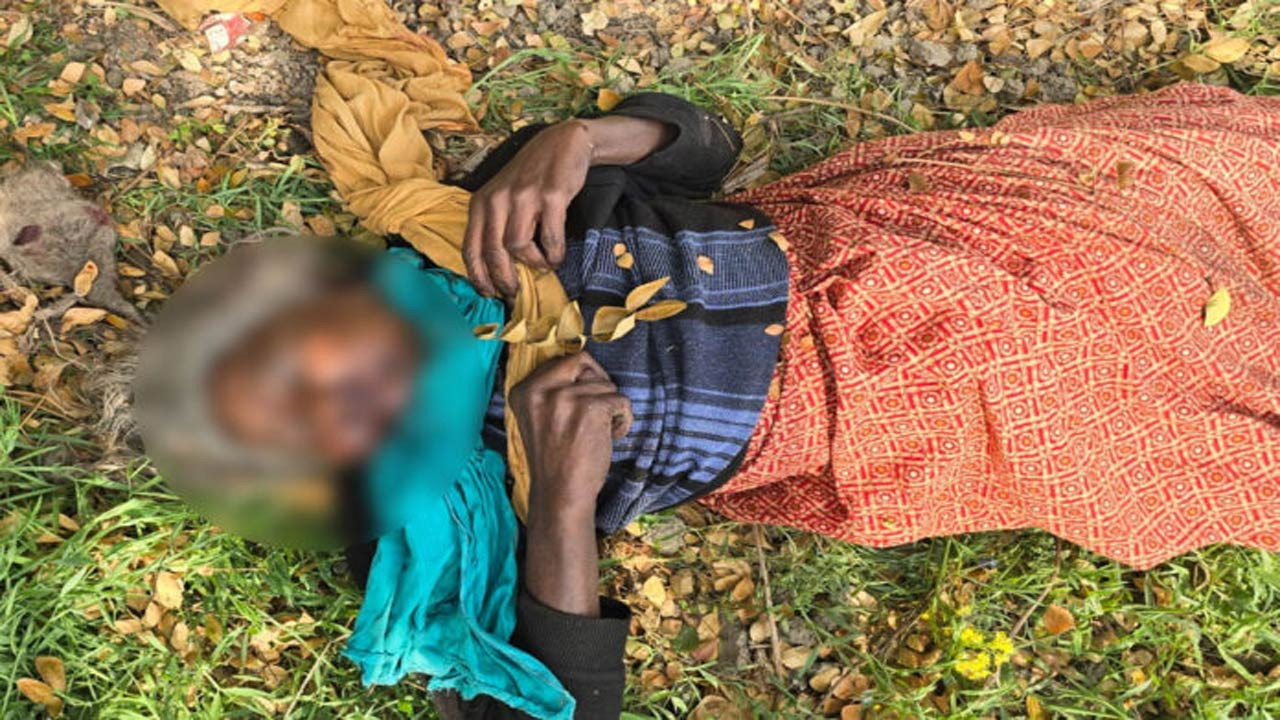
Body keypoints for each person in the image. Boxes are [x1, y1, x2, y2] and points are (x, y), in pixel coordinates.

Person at [137, 85, 1280, 718]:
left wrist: (572, 141)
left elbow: (705, 142)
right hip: (895, 408)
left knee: (1197, 207)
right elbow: (558, 710)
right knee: (1188, 387)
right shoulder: (433, 521)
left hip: (884, 235)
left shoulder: (456, 235)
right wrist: (563, 503)